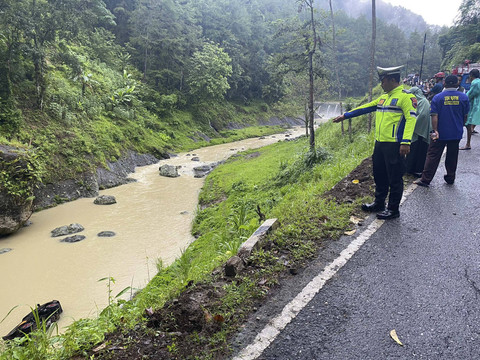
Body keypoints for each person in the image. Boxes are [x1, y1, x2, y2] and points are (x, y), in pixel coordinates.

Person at [333, 65, 417, 220]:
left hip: (395, 144)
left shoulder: (406, 97)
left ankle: (393, 209)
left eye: (383, 80)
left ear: (392, 79)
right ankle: (379, 203)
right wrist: (345, 116)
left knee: (395, 178)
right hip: (380, 144)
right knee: (379, 174)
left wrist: (406, 142)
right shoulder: (384, 97)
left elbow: (411, 119)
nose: (381, 84)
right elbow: (366, 107)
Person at [414, 75, 470, 187]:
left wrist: (435, 130)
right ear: (457, 84)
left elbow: (434, 115)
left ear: (445, 84)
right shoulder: (464, 97)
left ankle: (425, 179)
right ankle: (450, 177)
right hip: (456, 132)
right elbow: (465, 116)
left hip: (440, 133)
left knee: (433, 155)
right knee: (452, 156)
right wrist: (461, 125)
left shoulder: (438, 97)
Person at [406, 86, 431, 177]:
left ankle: (417, 170)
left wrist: (412, 124)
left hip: (421, 131)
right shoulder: (417, 102)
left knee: (419, 150)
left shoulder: (423, 102)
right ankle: (410, 169)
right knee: (413, 150)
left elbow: (423, 115)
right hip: (418, 130)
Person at [461, 69, 480, 149]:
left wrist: (462, 98)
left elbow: (470, 94)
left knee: (467, 123)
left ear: (471, 75)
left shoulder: (475, 83)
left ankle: (467, 144)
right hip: (475, 104)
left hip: (475, 105)